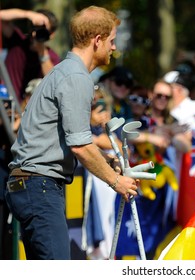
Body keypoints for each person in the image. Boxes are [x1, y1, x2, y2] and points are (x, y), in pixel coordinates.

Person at [4, 6, 138, 260]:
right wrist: (116, 180)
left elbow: (73, 139)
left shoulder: (61, 71)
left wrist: (106, 159)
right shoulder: (76, 77)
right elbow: (80, 146)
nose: (113, 48)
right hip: (39, 187)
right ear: (96, 40)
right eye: (111, 41)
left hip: (30, 186)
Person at [2, 8, 60, 103]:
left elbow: (53, 81)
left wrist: (42, 52)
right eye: (34, 27)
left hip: (25, 111)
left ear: (51, 34)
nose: (35, 33)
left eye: (42, 29)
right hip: (4, 101)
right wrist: (28, 14)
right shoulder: (18, 40)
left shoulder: (52, 57)